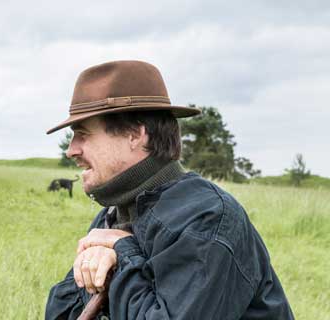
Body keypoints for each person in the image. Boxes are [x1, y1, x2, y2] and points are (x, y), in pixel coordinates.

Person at [44, 60, 293, 319]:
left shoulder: (207, 219)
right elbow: (60, 313)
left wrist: (124, 253)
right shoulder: (116, 213)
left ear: (135, 134)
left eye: (83, 133)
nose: (71, 150)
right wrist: (94, 270)